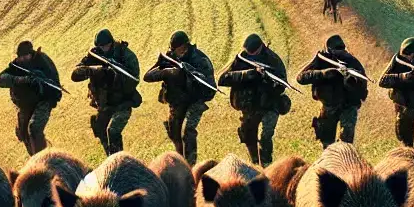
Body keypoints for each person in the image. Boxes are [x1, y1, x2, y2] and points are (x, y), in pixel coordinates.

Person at [143, 30, 217, 165]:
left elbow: (211, 88)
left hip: (195, 101)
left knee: (187, 132)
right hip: (177, 102)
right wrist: (163, 68)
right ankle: (181, 164)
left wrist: (191, 73)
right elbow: (147, 77)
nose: (176, 52)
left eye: (178, 49)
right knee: (174, 133)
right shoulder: (170, 58)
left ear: (185, 46)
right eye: (173, 49)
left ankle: (191, 166)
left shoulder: (200, 59)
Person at [218, 33, 289, 166]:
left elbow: (282, 84)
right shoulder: (241, 58)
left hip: (269, 104)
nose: (250, 54)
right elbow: (223, 79)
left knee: (266, 135)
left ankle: (267, 164)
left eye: (253, 52)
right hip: (249, 106)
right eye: (248, 52)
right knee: (248, 135)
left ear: (261, 47)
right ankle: (256, 164)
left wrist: (267, 80)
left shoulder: (272, 59)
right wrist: (248, 75)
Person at [70, 29, 141, 155]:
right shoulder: (94, 55)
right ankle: (111, 159)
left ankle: (119, 162)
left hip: (122, 102)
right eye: (101, 46)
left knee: (112, 131)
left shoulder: (125, 54)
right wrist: (93, 70)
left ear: (112, 43)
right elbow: (75, 75)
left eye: (106, 46)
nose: (104, 49)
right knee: (99, 128)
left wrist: (115, 74)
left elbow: (134, 79)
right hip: (104, 104)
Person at [297, 34, 368, 148]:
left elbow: (362, 87)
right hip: (328, 105)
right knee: (327, 143)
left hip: (348, 106)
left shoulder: (352, 61)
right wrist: (322, 73)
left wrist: (349, 81)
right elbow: (301, 78)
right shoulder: (321, 59)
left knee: (346, 142)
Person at [0, 40, 62, 156]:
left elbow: (54, 84)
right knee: (23, 132)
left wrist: (41, 81)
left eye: (25, 56)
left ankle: (44, 158)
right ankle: (34, 157)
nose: (22, 59)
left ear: (31, 54)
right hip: (25, 104)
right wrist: (21, 80)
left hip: (43, 100)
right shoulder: (15, 66)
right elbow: (0, 80)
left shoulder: (42, 61)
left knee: (34, 127)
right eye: (20, 57)